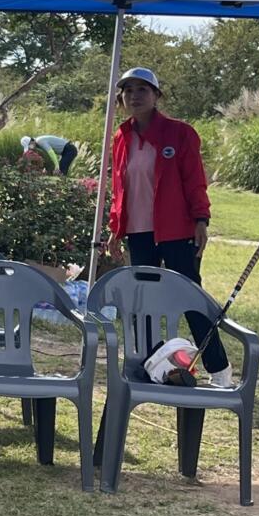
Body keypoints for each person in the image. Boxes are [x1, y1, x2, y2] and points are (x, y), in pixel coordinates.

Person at [104, 66, 228, 379]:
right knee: (143, 302)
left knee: (191, 300)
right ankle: (150, 365)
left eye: (142, 89)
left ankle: (219, 369)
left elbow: (195, 181)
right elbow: (119, 187)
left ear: (157, 95)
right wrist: (116, 229)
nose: (134, 96)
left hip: (177, 230)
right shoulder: (121, 136)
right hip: (139, 232)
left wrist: (201, 219)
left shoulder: (180, 133)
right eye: (128, 91)